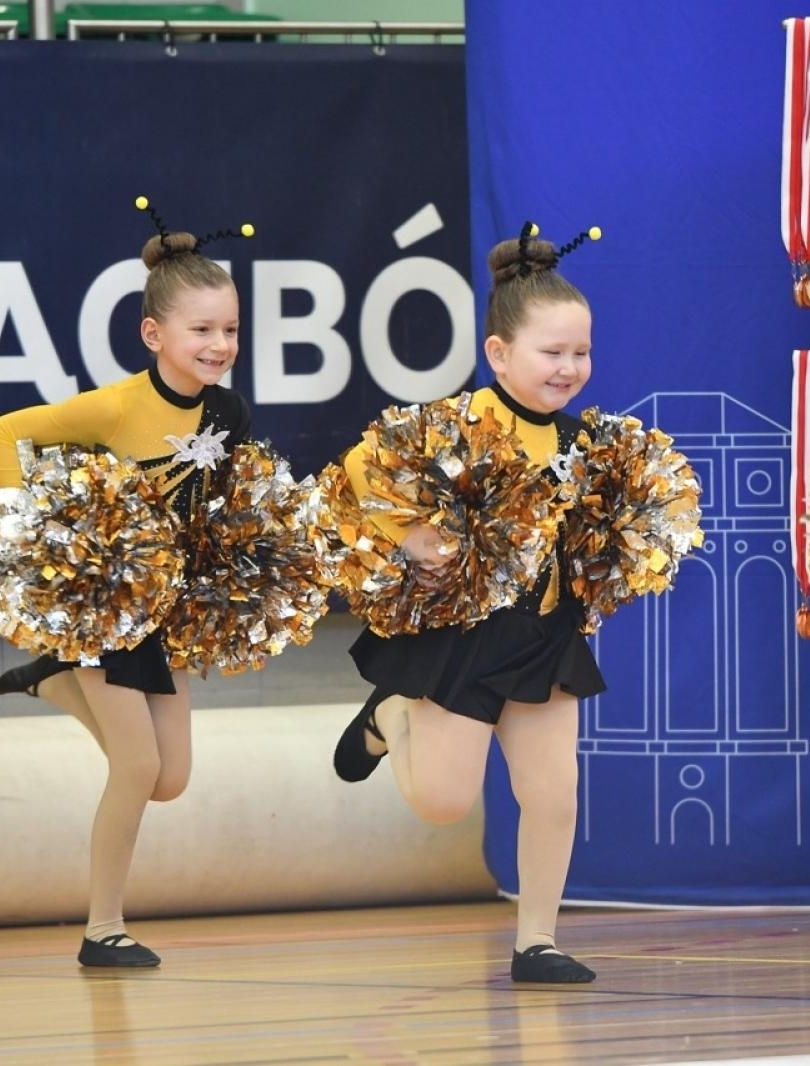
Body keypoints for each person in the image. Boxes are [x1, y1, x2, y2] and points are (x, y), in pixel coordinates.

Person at [0, 200, 252, 968]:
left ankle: (55, 684)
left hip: (169, 612)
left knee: (170, 779)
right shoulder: (114, 405)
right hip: (103, 606)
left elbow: (226, 509)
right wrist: (21, 525)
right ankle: (104, 928)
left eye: (229, 330)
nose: (219, 344)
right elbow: (4, 433)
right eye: (201, 330)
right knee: (136, 769)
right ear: (154, 334)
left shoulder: (229, 411)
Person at [332, 225, 606, 984]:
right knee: (444, 803)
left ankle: (537, 942)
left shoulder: (584, 440)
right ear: (498, 355)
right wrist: (409, 536)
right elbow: (360, 469)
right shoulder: (457, 423)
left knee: (553, 795)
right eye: (552, 353)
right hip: (461, 636)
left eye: (581, 352)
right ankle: (387, 715)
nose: (569, 368)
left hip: (546, 634)